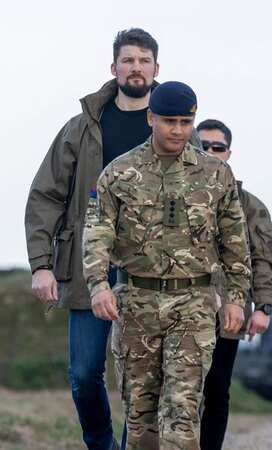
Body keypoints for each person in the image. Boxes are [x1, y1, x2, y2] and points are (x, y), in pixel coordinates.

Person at [83, 82, 250, 450]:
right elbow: (96, 233)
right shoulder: (119, 173)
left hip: (192, 305)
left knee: (182, 412)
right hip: (136, 305)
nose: (177, 130)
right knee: (140, 419)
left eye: (184, 122)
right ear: (150, 118)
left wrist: (236, 297)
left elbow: (234, 242)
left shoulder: (216, 175)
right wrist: (98, 286)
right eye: (168, 121)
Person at [25, 28, 161, 450]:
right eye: (127, 60)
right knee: (85, 376)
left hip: (149, 270)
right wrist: (41, 264)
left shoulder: (173, 126)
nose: (135, 67)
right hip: (88, 267)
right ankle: (103, 445)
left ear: (156, 68)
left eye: (143, 60)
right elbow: (46, 194)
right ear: (114, 67)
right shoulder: (83, 127)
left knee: (141, 381)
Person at [196, 119, 272, 450]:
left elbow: (264, 259)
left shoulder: (250, 206)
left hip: (227, 314)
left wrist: (263, 306)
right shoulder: (169, 191)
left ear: (229, 152)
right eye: (203, 146)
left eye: (218, 147)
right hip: (178, 308)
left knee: (216, 390)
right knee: (176, 392)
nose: (211, 153)